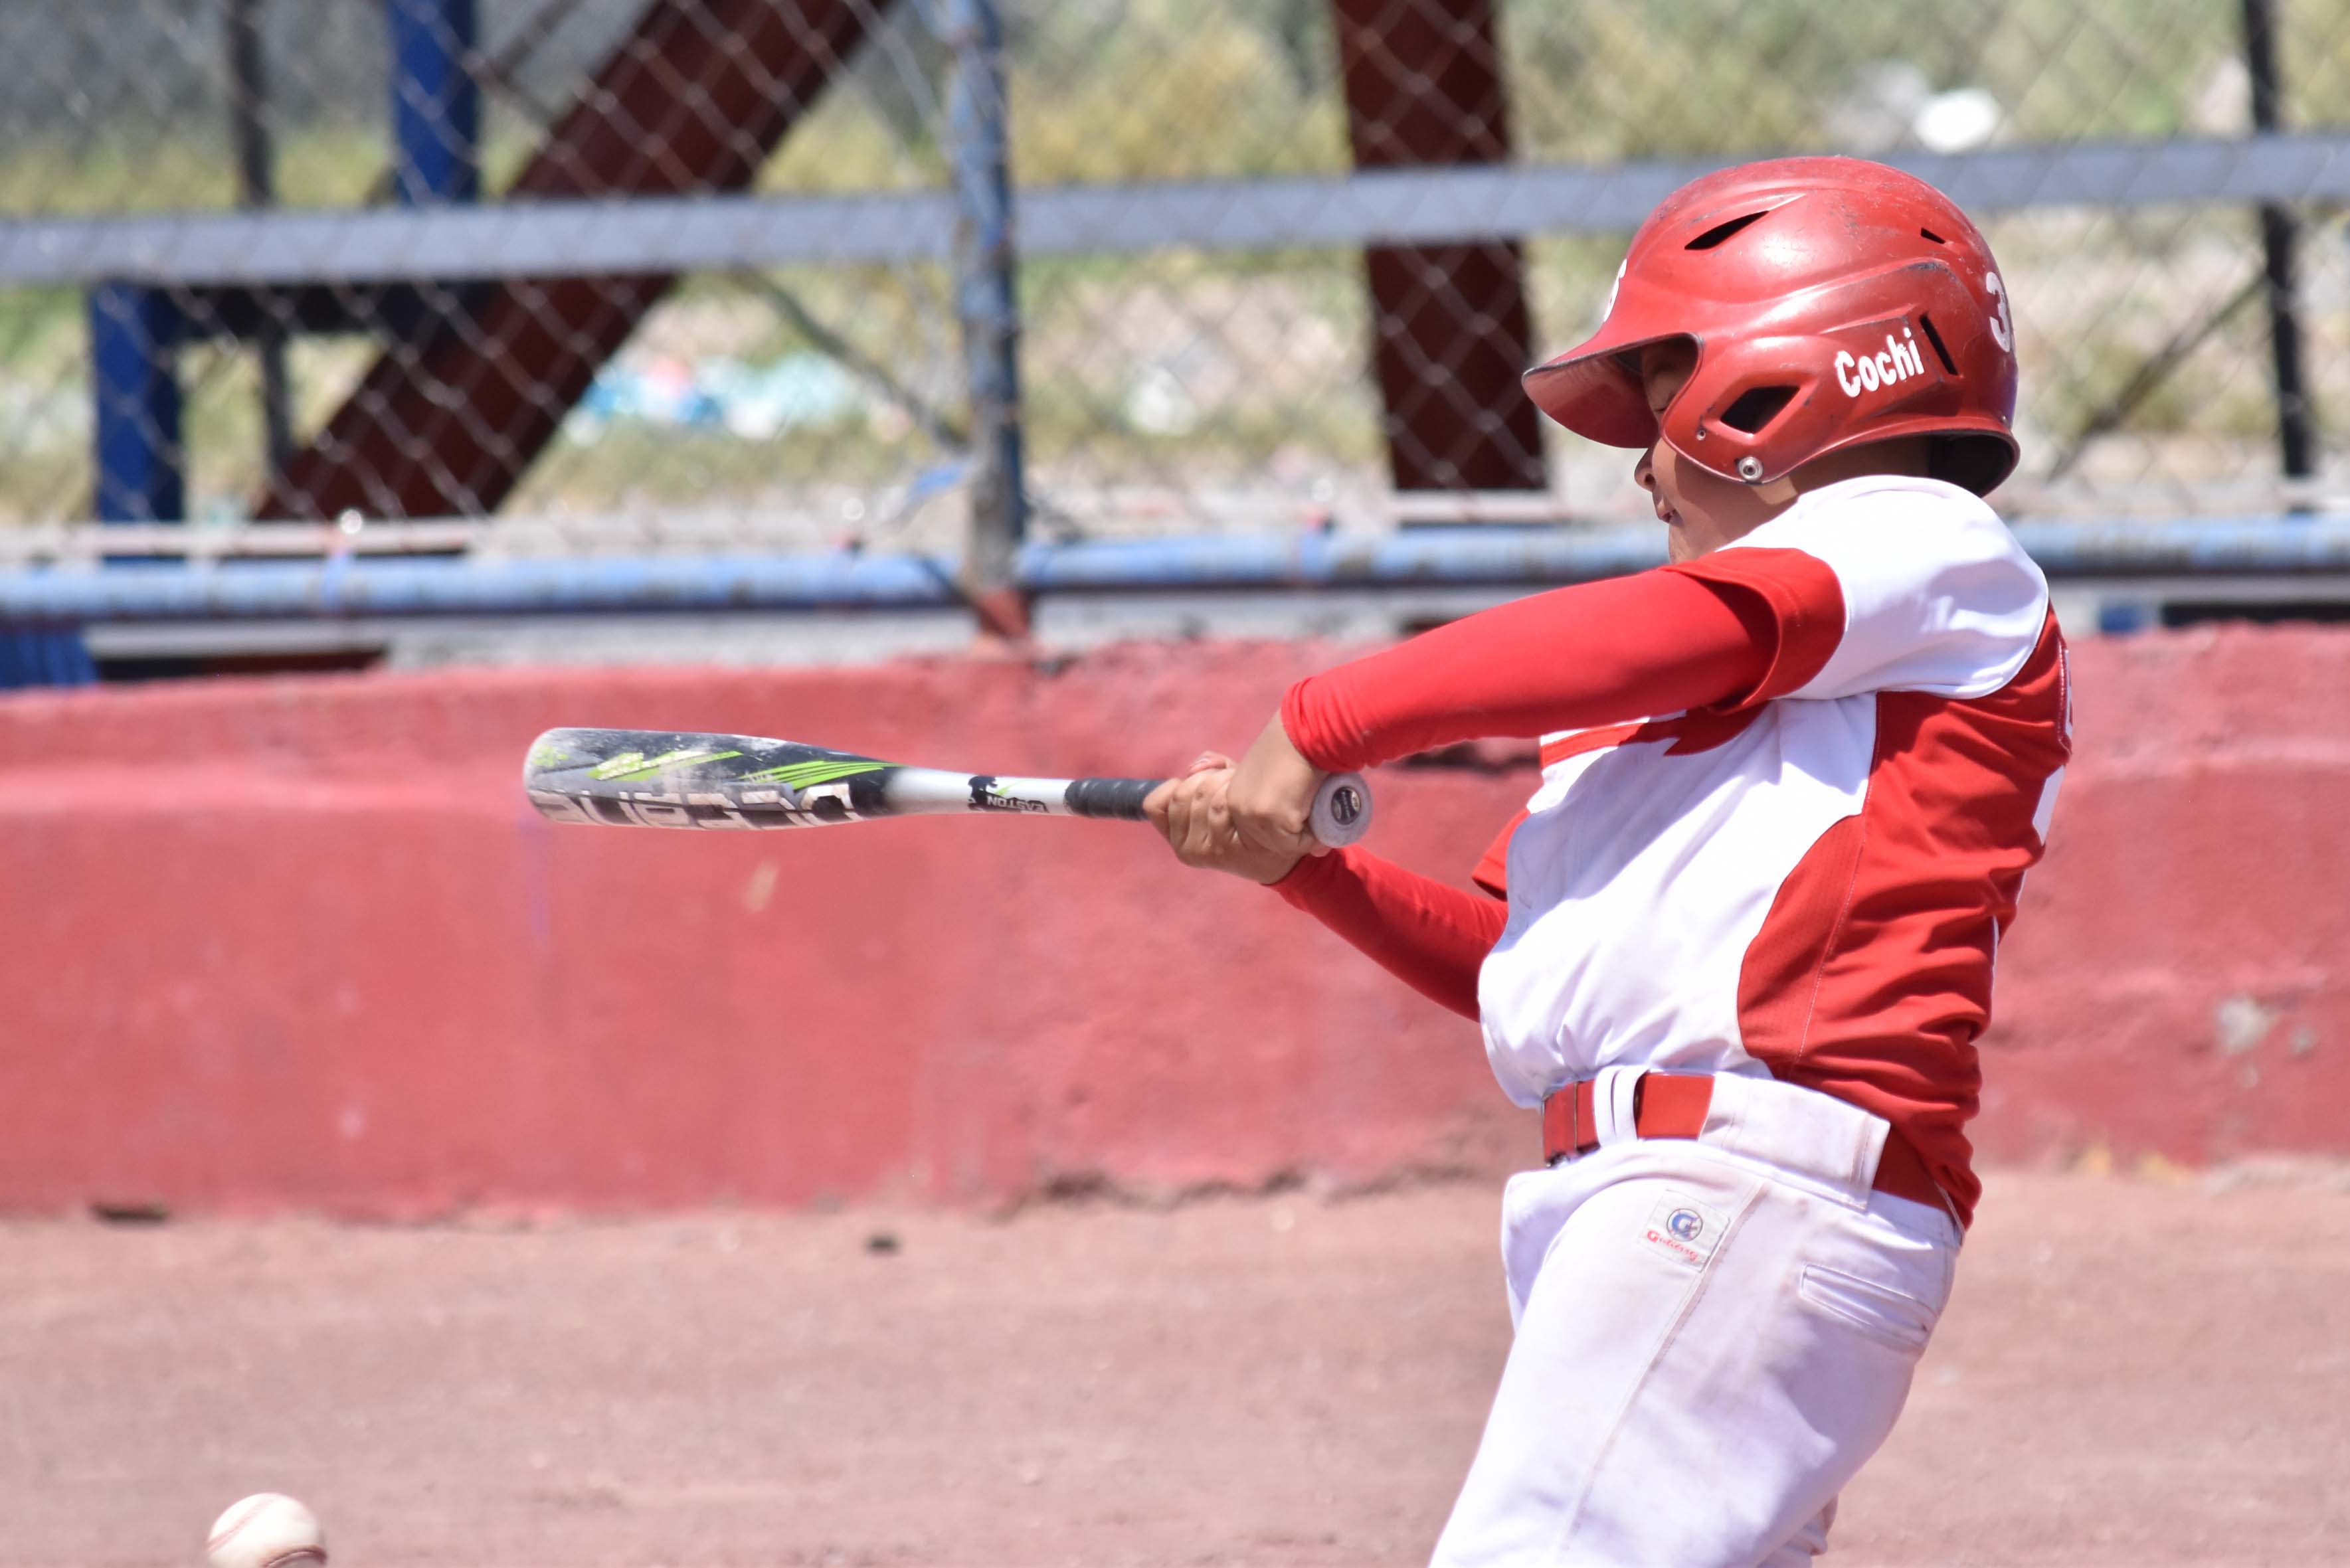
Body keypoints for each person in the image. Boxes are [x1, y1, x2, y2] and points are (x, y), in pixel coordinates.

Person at [1144, 156, 2072, 1567]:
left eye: (1662, 410)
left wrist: (1316, 720)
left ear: (1785, 378)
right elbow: (1504, 956)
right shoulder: (1691, 693)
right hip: (1660, 1207)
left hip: (1743, 1187)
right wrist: (1299, 867)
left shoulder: (1928, 547)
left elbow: (1663, 628)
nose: (1643, 469)